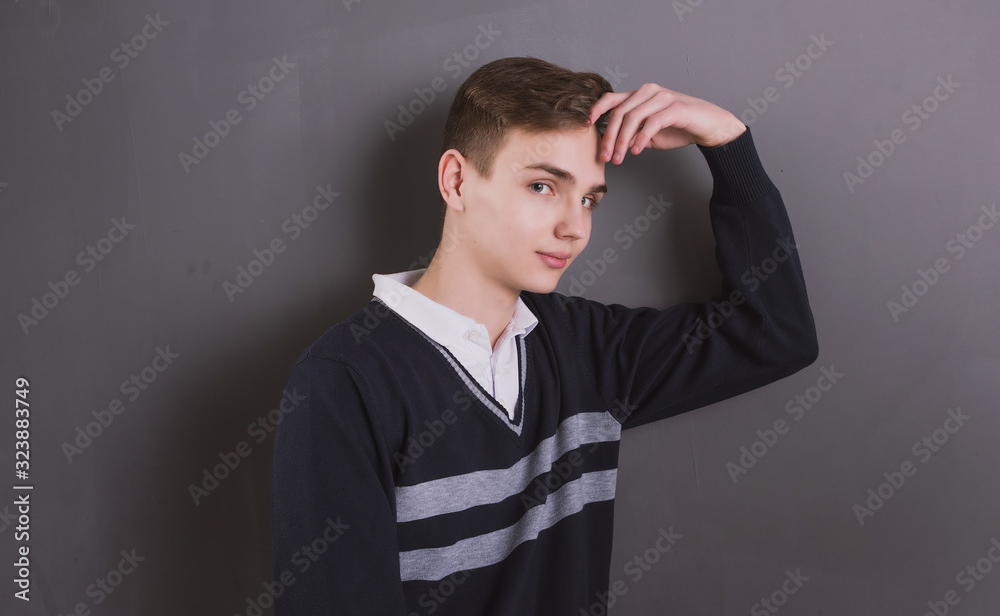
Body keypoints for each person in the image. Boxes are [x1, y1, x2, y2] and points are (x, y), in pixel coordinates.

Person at [271, 56, 818, 614]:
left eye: (588, 198)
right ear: (457, 180)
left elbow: (774, 333)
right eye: (542, 186)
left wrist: (726, 142)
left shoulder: (587, 349)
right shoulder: (344, 381)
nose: (575, 227)